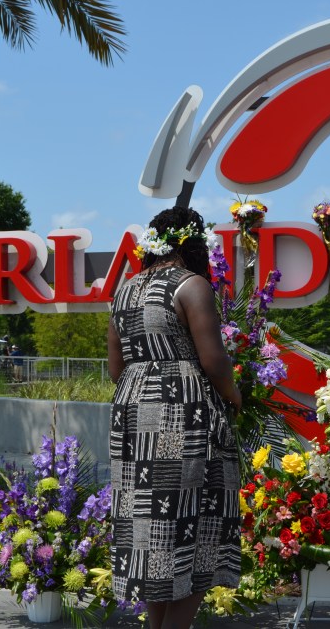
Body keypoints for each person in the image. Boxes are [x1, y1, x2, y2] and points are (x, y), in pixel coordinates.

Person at [107, 205, 242, 629]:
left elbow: (115, 368)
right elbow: (214, 361)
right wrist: (235, 397)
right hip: (180, 413)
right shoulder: (191, 285)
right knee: (195, 526)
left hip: (133, 414)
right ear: (192, 243)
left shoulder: (125, 290)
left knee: (152, 532)